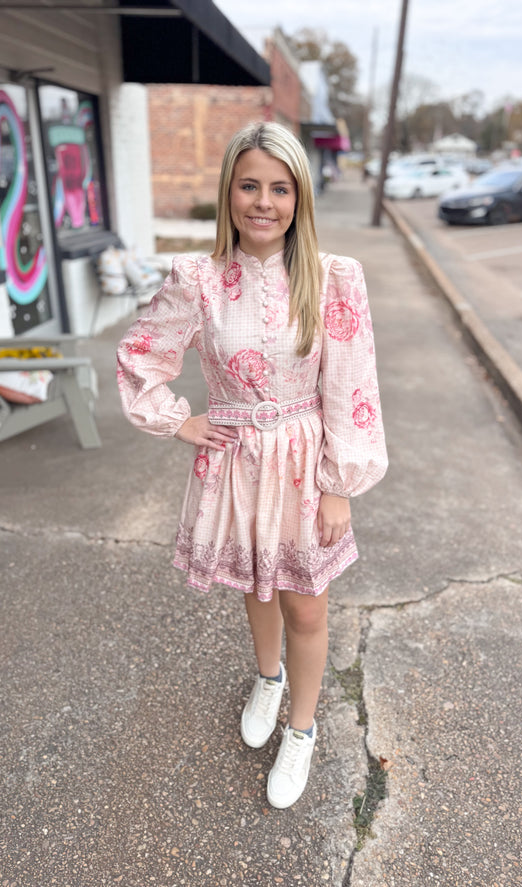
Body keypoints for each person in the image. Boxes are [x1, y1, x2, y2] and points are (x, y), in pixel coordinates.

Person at [117, 122, 388, 810]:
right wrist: (179, 419)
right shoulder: (199, 279)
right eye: (249, 185)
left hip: (303, 462)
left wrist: (337, 485)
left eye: (278, 187)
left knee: (304, 604)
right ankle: (265, 679)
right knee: (256, 587)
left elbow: (350, 386)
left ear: (298, 197)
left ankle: (301, 724)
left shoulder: (331, 278)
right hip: (235, 461)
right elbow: (141, 354)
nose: (262, 202)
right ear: (228, 192)